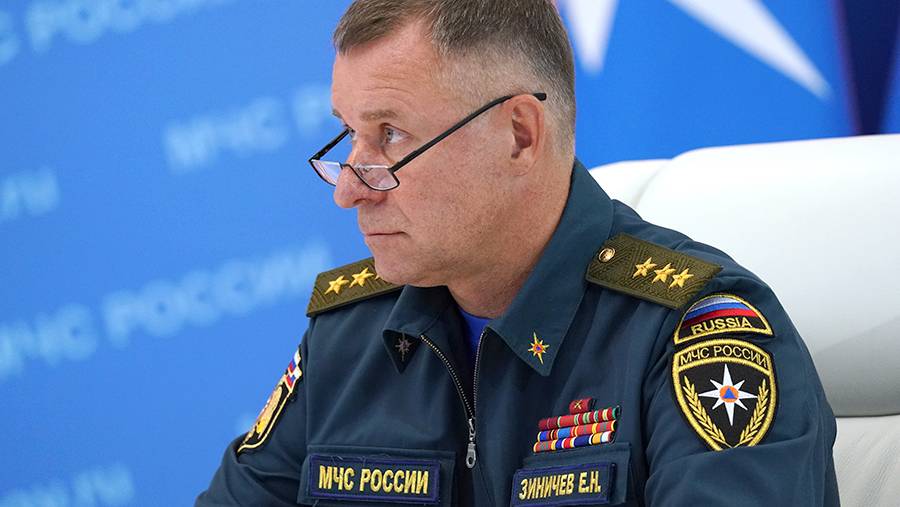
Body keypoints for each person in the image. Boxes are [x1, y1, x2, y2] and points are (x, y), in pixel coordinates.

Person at [197, 0, 839, 505]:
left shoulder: (692, 334)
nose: (348, 189)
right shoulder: (349, 335)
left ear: (519, 135)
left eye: (390, 135)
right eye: (348, 133)